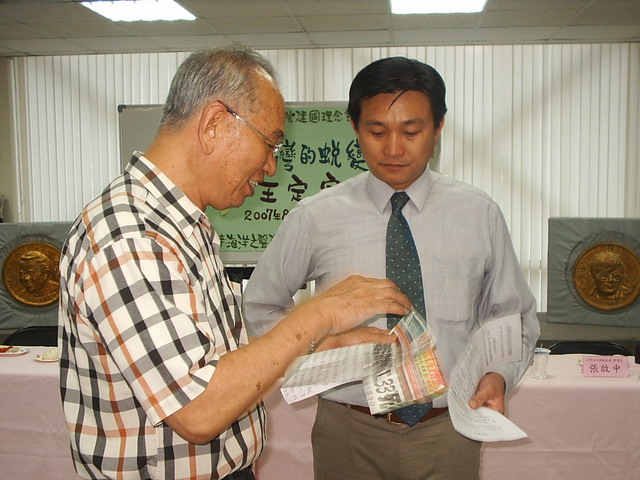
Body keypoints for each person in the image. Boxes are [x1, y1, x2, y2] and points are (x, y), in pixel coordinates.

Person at [58, 46, 411, 480]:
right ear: (214, 124)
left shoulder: (183, 225)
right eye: (270, 143)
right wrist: (317, 316)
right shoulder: (130, 237)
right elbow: (197, 410)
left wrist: (326, 345)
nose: (271, 167)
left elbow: (221, 363)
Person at [243, 56, 540, 480]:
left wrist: (499, 374)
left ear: (438, 128)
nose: (394, 148)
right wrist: (316, 348)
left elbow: (513, 316)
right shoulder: (315, 217)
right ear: (355, 127)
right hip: (349, 430)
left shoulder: (479, 214)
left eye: (411, 131)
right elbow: (260, 305)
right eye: (377, 131)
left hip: (449, 430)